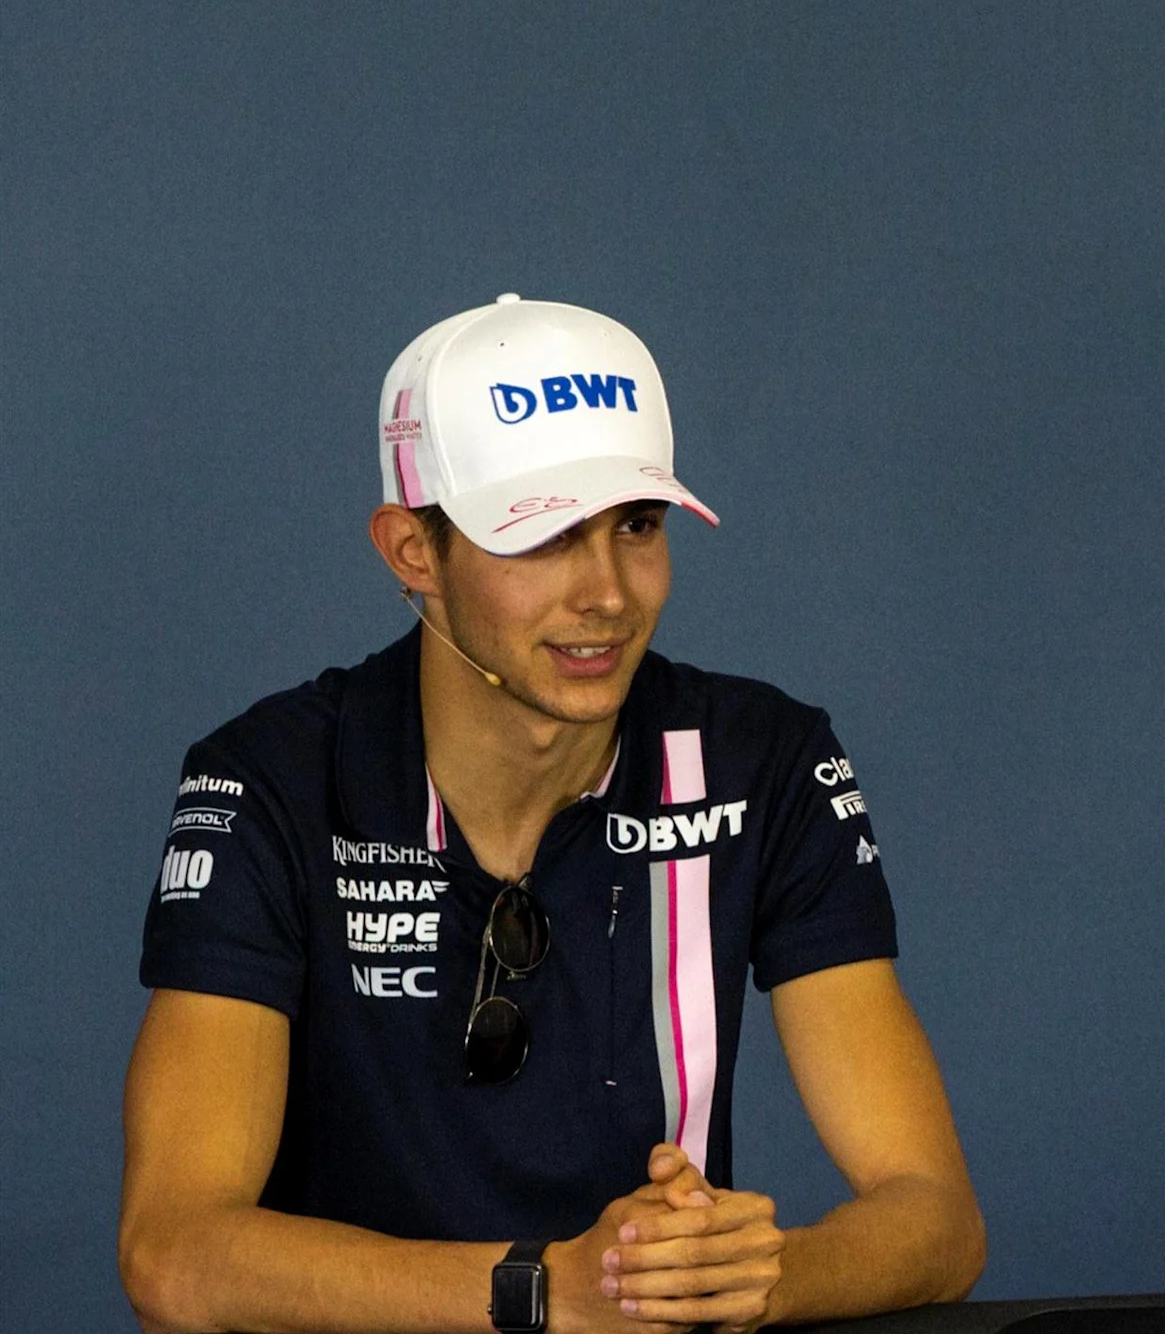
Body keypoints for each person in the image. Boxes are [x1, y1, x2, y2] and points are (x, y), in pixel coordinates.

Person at [120, 295, 985, 1332]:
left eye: (636, 526)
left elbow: (938, 1218)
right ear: (411, 551)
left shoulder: (762, 761)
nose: (608, 594)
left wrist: (748, 1276)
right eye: (542, 537)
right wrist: (544, 1291)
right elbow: (173, 1253)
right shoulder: (271, 782)